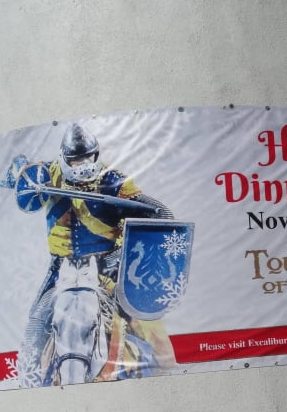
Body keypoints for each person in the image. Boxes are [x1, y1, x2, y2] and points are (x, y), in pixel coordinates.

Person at [13, 123, 176, 386]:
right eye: (76, 160)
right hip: (61, 273)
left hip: (107, 271)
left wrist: (122, 255)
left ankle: (167, 380)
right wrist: (22, 175)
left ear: (96, 155)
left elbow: (161, 214)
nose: (82, 164)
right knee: (34, 332)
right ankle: (30, 388)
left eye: (87, 158)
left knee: (153, 332)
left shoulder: (114, 182)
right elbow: (22, 184)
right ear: (65, 158)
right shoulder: (48, 175)